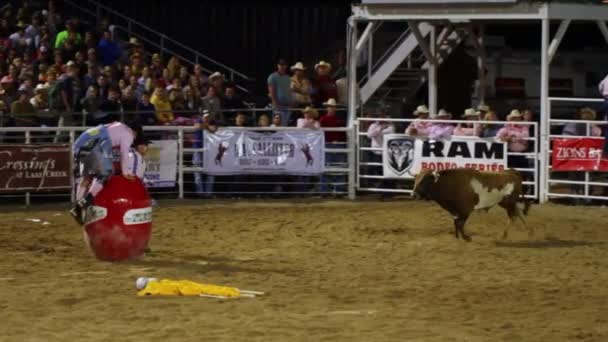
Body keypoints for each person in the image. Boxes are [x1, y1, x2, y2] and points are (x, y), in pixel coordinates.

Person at [70, 120, 144, 224]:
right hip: (94, 143)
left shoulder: (118, 125)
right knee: (106, 173)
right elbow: (124, 153)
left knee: (87, 177)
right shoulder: (129, 134)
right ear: (135, 132)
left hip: (82, 142)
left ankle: (77, 207)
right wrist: (125, 172)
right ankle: (83, 204)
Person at [267, 58, 292, 126]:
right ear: (278, 65)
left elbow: (289, 90)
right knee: (277, 124)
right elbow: (271, 91)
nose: (282, 66)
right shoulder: (272, 76)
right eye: (281, 64)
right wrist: (275, 103)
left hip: (287, 105)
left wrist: (291, 102)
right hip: (278, 105)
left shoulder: (287, 77)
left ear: (286, 66)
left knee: (285, 124)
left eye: (284, 65)